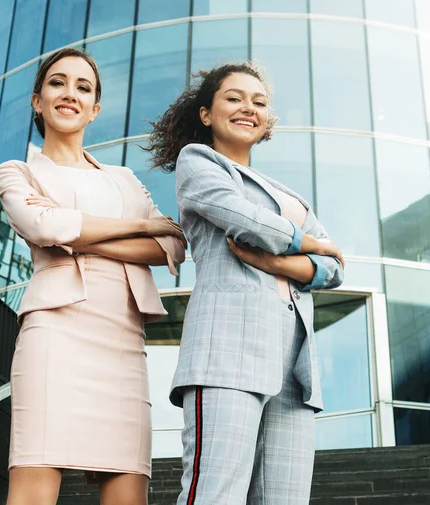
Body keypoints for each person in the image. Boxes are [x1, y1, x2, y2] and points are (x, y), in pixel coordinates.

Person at [146, 62, 345, 505]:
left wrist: (280, 264)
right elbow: (244, 221)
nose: (248, 108)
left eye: (259, 102)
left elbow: (334, 269)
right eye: (234, 98)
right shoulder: (199, 163)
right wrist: (307, 242)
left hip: (294, 369)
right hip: (227, 354)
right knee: (215, 496)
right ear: (206, 114)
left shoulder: (290, 195)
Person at [0, 47, 186, 505]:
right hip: (54, 334)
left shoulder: (122, 179)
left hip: (122, 342)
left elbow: (173, 245)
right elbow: (42, 226)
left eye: (83, 88)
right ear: (37, 101)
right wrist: (139, 225)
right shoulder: (17, 171)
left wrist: (73, 232)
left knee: (128, 489)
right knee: (34, 484)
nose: (70, 94)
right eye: (57, 83)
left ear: (95, 109)